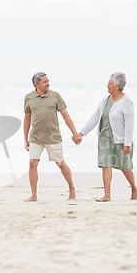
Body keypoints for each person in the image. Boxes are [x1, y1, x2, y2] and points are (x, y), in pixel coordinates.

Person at [73, 72, 137, 201]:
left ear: (117, 86)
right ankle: (107, 195)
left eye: (110, 83)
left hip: (120, 139)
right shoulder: (105, 100)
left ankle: (134, 188)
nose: (107, 85)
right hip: (105, 138)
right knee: (106, 164)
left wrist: (127, 144)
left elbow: (130, 125)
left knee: (124, 167)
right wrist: (81, 134)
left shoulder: (127, 102)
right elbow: (95, 117)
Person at [23, 72, 81, 202]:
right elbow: (27, 119)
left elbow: (66, 116)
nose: (48, 83)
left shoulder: (55, 96)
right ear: (36, 84)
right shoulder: (28, 98)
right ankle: (33, 195)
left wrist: (75, 133)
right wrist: (25, 138)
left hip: (53, 136)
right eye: (44, 81)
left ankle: (72, 189)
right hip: (35, 137)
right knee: (32, 163)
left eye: (48, 81)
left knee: (60, 163)